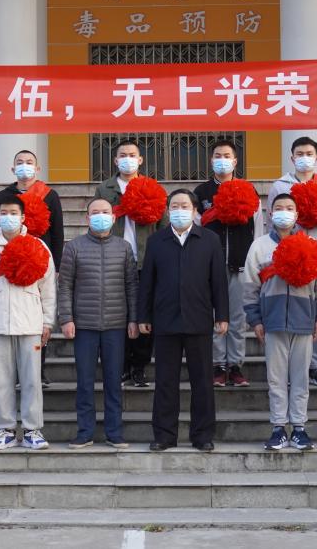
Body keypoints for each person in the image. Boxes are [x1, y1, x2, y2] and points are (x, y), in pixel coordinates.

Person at [139, 189, 229, 452]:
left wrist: (222, 315)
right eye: (174, 206)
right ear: (168, 211)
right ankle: (164, 435)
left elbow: (219, 281)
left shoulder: (209, 240)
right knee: (165, 381)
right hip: (165, 321)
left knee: (202, 382)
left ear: (194, 210)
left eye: (184, 206)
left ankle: (203, 435)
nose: (179, 210)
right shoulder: (157, 241)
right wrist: (143, 315)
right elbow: (147, 282)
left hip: (199, 319)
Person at [242, 194, 317, 451]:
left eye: (289, 208)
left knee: (301, 377)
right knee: (276, 378)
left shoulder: (311, 244)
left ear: (297, 214)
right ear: (270, 214)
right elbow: (250, 287)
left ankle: (299, 427)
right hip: (273, 321)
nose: (284, 212)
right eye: (279, 208)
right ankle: (278, 427)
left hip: (304, 321)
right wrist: (255, 320)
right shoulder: (259, 247)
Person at [0, 195, 57, 451]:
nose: (8, 217)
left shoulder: (38, 247)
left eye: (13, 213)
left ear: (22, 217)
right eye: (3, 213)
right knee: (1, 380)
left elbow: (48, 289)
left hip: (31, 323)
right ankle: (6, 429)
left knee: (32, 379)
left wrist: (47, 322)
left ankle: (32, 429)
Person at [58, 198, 138, 449]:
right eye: (95, 212)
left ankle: (115, 432)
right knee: (85, 381)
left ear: (113, 217)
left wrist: (133, 319)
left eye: (105, 212)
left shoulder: (124, 248)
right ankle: (85, 432)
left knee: (114, 381)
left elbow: (131, 286)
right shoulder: (73, 247)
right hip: (84, 325)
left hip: (116, 324)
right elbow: (65, 286)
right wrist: (66, 318)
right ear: (87, 218)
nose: (100, 216)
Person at [267, 136, 317, 387]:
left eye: (309, 153)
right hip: (288, 258)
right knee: (290, 309)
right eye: (300, 154)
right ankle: (291, 366)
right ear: (292, 158)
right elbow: (271, 223)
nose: (304, 158)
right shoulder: (280, 186)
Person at [94, 140, 168, 388]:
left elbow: (163, 226)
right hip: (114, 259)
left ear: (140, 160)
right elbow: (97, 219)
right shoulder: (105, 189)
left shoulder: (152, 188)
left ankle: (139, 366)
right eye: (123, 155)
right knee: (119, 314)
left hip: (145, 259)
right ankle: (122, 365)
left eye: (132, 155)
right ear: (116, 160)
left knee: (145, 314)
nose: (127, 159)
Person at [0, 149, 64, 387]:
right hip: (10, 263)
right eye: (20, 162)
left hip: (38, 262)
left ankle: (37, 371)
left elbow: (58, 233)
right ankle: (13, 374)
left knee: (37, 318)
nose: (25, 165)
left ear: (38, 168)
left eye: (29, 162)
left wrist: (56, 265)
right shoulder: (3, 196)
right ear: (13, 169)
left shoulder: (50, 195)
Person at [195, 140, 263, 389]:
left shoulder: (248, 190)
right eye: (217, 155)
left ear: (235, 161)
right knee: (215, 316)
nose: (221, 160)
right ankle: (217, 365)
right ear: (211, 160)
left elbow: (258, 229)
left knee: (237, 316)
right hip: (210, 266)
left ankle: (235, 365)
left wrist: (255, 260)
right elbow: (195, 227)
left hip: (240, 263)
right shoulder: (202, 192)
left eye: (226, 156)